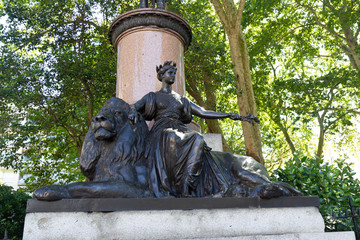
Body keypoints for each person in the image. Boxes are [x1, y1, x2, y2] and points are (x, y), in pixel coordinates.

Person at [129, 61, 255, 198]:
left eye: (174, 73)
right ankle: (171, 183)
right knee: (171, 136)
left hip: (180, 129)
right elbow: (133, 106)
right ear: (162, 76)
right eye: (170, 73)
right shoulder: (152, 96)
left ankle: (187, 184)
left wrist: (228, 115)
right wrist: (132, 111)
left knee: (198, 138)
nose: (173, 76)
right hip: (162, 130)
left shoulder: (182, 99)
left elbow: (203, 112)